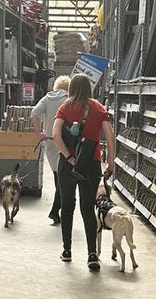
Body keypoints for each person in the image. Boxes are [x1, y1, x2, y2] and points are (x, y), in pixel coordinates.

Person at [52, 74, 116, 271]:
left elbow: (55, 134)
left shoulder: (65, 107)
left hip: (68, 165)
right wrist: (110, 165)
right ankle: (91, 254)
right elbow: (110, 137)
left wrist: (69, 157)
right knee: (88, 209)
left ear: (71, 88)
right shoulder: (98, 107)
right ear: (89, 88)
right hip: (91, 164)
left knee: (67, 206)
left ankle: (67, 250)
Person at [31, 75, 70, 224]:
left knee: (57, 174)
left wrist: (38, 132)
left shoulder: (47, 98)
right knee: (63, 177)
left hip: (48, 140)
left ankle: (56, 211)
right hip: (63, 141)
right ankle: (55, 210)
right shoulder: (68, 99)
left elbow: (34, 113)